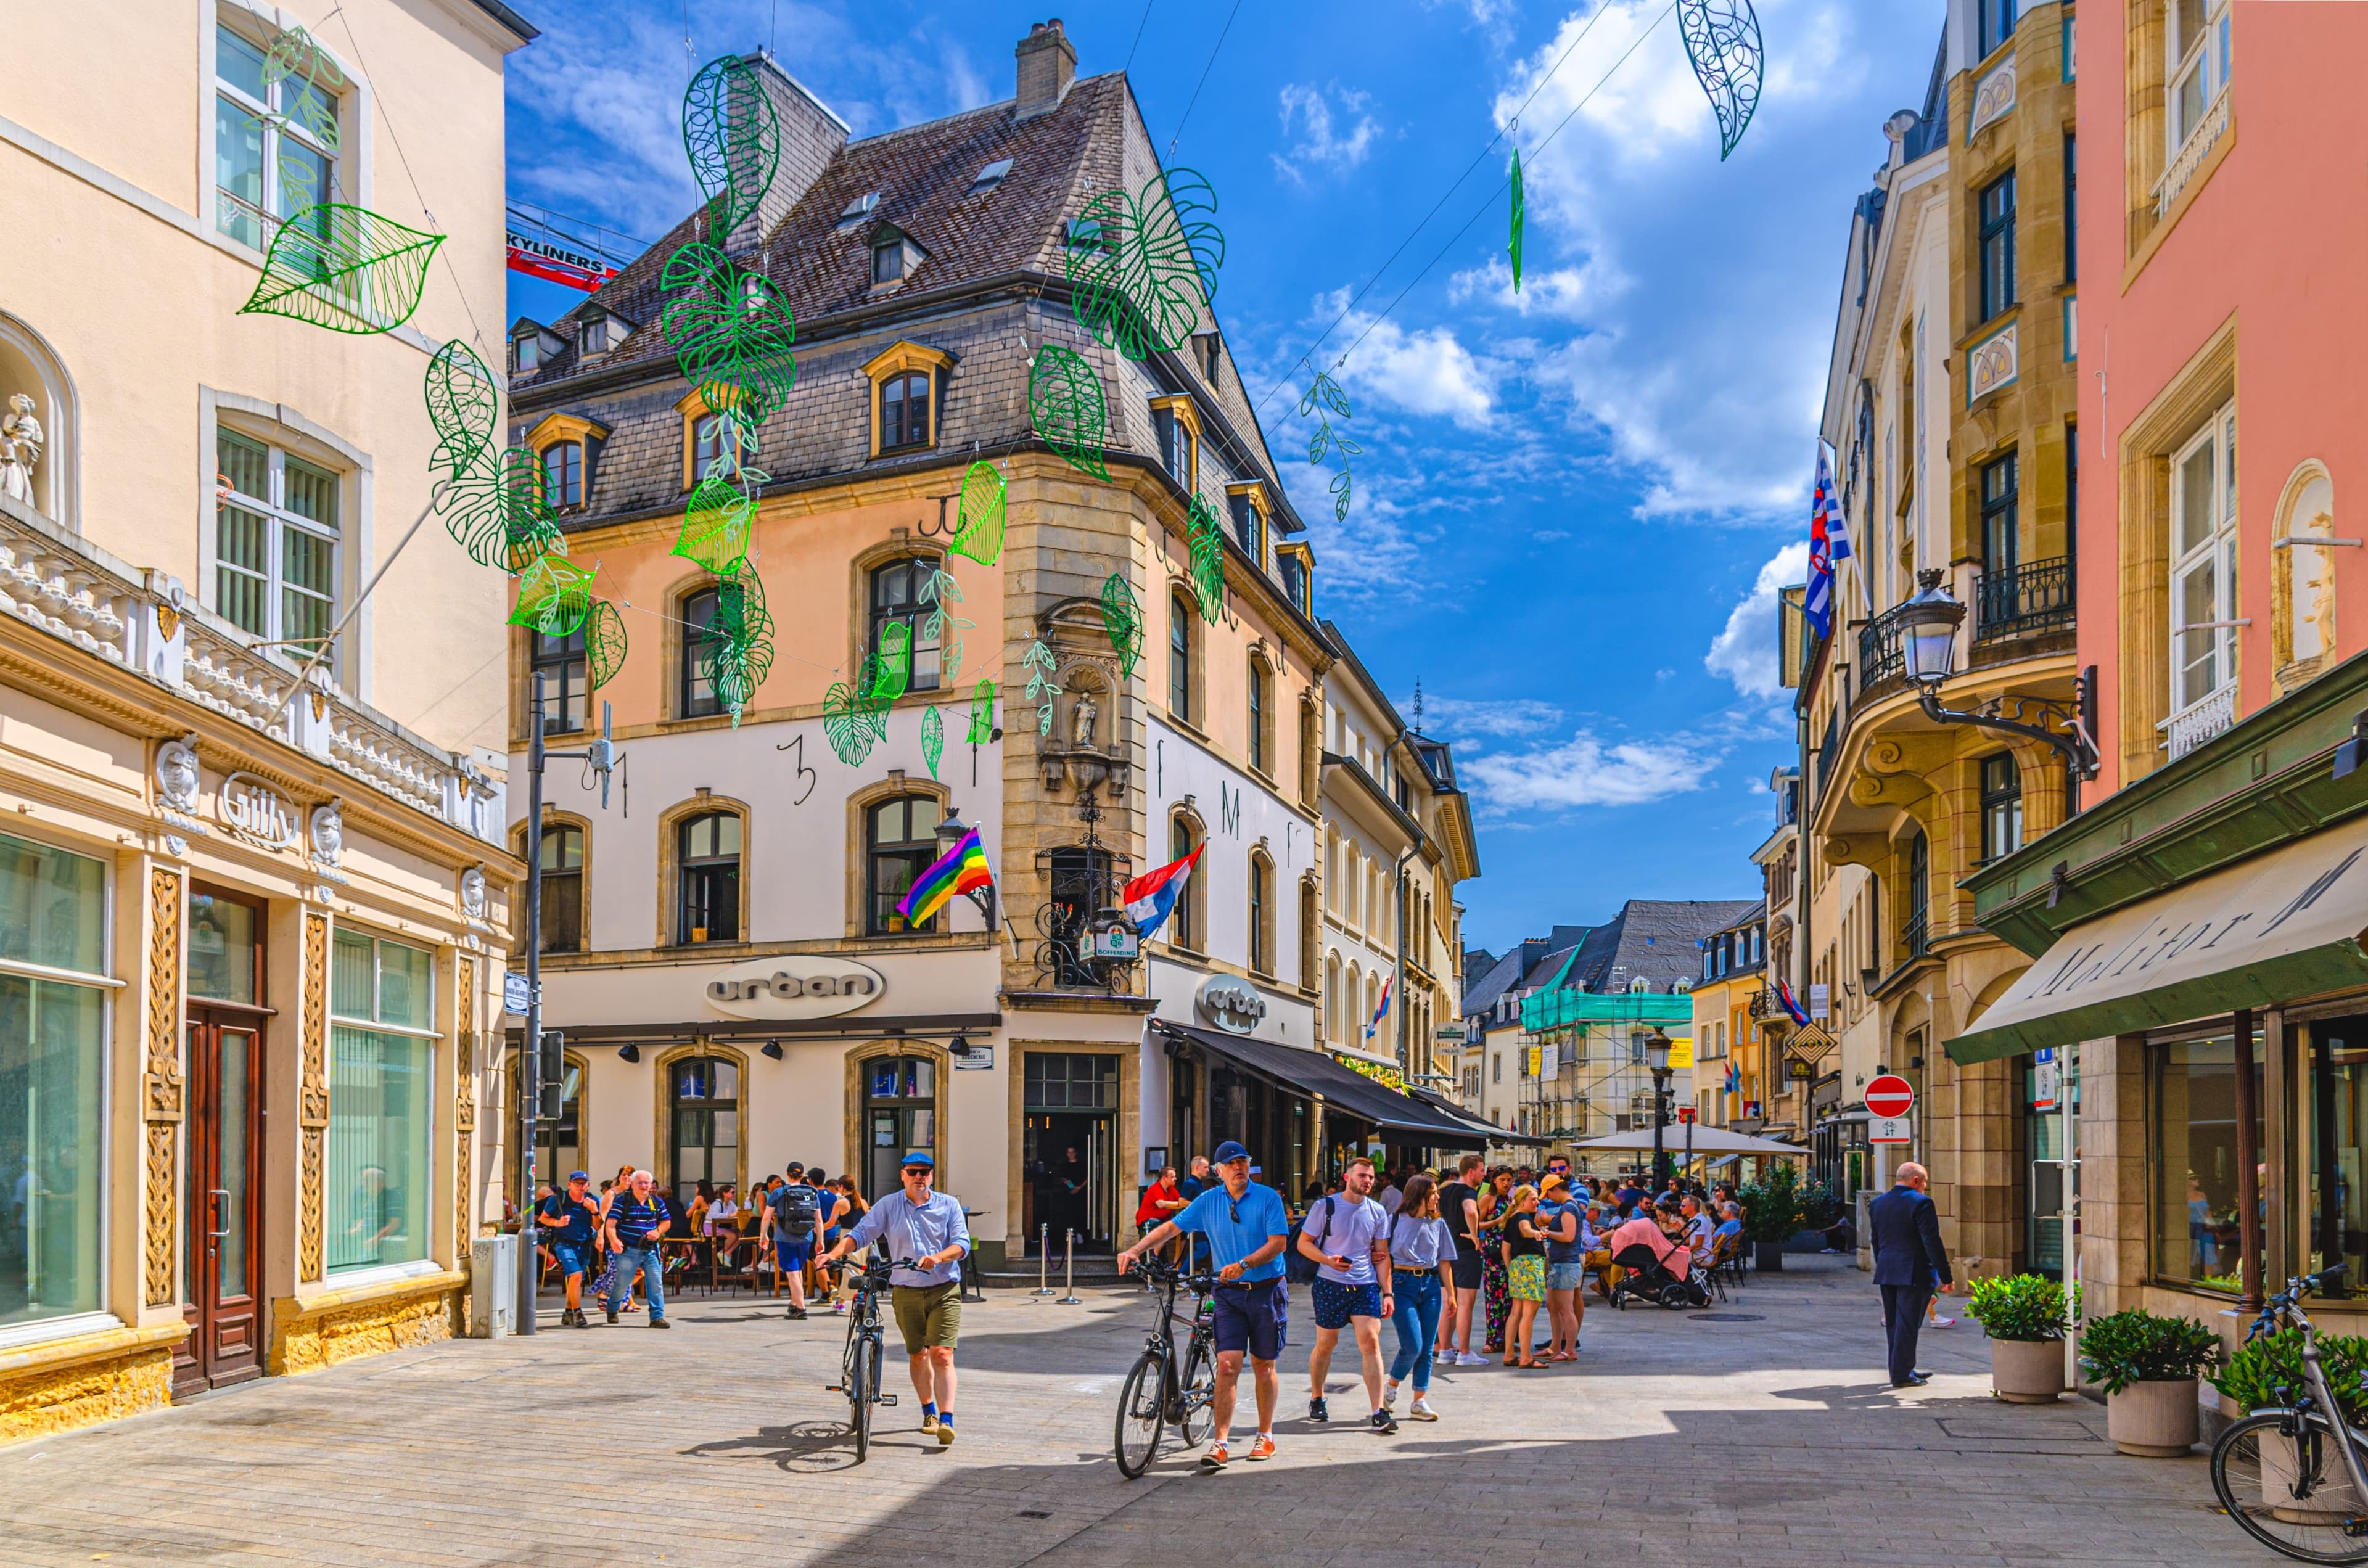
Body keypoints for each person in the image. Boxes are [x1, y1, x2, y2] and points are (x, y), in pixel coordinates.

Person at [1117, 1140, 1289, 1467]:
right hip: (1228, 1294)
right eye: (1232, 1164)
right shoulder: (1209, 1200)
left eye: (1243, 1161)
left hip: (1266, 1291)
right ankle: (1220, 1443)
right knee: (1227, 1365)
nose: (1239, 1168)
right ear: (1219, 1171)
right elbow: (1172, 1227)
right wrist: (1135, 1250)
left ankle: (1265, 1435)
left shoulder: (1267, 1198)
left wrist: (1245, 1263)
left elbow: (1278, 1243)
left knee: (1263, 1364)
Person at [819, 1152, 970, 1446]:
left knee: (942, 1354)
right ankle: (929, 1412)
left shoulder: (948, 1205)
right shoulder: (889, 1205)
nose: (919, 1177)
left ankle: (947, 1420)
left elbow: (961, 1244)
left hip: (944, 1288)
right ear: (903, 1175)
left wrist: (938, 1257)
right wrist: (833, 1253)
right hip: (906, 1290)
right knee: (918, 1354)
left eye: (925, 1172)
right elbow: (861, 1234)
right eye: (913, 1172)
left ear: (932, 1175)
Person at [1296, 1155, 1397, 1434]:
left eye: (1371, 1177)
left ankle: (1378, 1411)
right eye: (1362, 1175)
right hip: (1330, 1284)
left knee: (1371, 1342)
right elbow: (1304, 1244)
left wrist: (1388, 1293)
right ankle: (1318, 1396)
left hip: (1365, 1285)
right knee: (1326, 1343)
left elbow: (1382, 1255)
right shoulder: (1325, 1207)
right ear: (1347, 1178)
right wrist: (1328, 1260)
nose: (1368, 1181)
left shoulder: (1377, 1212)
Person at [1868, 1160, 1955, 1389]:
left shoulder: (1878, 1203)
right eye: (1925, 1182)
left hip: (1888, 1270)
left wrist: (1883, 1265)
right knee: (1908, 1324)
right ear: (1916, 1180)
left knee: (1895, 1324)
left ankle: (1902, 1368)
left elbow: (1876, 1240)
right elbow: (1932, 1241)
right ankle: (1902, 1374)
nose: (1925, 1186)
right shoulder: (1922, 1203)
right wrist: (1946, 1276)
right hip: (1915, 1272)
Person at [1383, 1175, 1451, 1420]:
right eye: (1433, 1192)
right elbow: (1384, 1259)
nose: (1437, 1197)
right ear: (1419, 1194)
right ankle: (1392, 1385)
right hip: (1402, 1284)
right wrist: (1386, 1292)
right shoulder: (1393, 1221)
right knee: (1413, 1345)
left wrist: (1452, 1294)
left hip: (1431, 1284)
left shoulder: (1438, 1223)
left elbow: (1445, 1261)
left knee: (1427, 1348)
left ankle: (1419, 1401)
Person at [601, 1170, 672, 1328]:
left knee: (656, 1283)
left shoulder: (656, 1202)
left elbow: (666, 1222)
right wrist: (614, 1241)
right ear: (632, 1184)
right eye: (640, 1183)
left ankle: (657, 1317)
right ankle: (612, 1308)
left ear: (651, 1185)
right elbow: (610, 1224)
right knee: (622, 1283)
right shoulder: (622, 1201)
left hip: (651, 1250)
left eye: (647, 1183)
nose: (643, 1186)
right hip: (628, 1250)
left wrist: (657, 1231)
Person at [1437, 1153, 1487, 1367]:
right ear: (1471, 1172)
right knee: (1466, 1304)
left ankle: (1445, 1350)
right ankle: (1465, 1353)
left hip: (1444, 1252)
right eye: (1482, 1171)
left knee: (1448, 1302)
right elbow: (1470, 1210)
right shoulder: (1468, 1191)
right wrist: (1475, 1235)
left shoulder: (1444, 1191)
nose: (1484, 1175)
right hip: (1466, 1251)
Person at [535, 1170, 602, 1328]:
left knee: (576, 1280)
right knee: (576, 1275)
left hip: (584, 1243)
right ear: (570, 1184)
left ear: (588, 1185)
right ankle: (578, 1313)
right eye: (577, 1183)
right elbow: (543, 1218)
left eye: (583, 1183)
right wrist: (558, 1223)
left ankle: (567, 1313)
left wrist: (595, 1211)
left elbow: (598, 1226)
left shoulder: (592, 1200)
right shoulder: (559, 1199)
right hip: (563, 1242)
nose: (580, 1186)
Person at [1537, 1173, 1593, 1360]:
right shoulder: (1568, 1206)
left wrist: (1548, 1233)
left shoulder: (1568, 1208)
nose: (1548, 1198)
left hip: (1566, 1262)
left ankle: (1570, 1349)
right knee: (1554, 1305)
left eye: (1548, 1194)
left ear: (1556, 1189)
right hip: (1561, 1261)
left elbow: (1568, 1236)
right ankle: (1555, 1346)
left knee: (1565, 1309)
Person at [761, 1163, 824, 1319]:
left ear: (787, 1174)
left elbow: (767, 1217)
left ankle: (801, 1308)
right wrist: (820, 1241)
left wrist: (764, 1235)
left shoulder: (779, 1192)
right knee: (797, 1271)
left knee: (793, 1273)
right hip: (806, 1238)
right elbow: (819, 1219)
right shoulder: (812, 1192)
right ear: (802, 1176)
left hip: (785, 1237)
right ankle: (794, 1304)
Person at [1498, 1185, 1549, 1368]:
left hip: (1517, 1267)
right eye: (1533, 1199)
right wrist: (1536, 1233)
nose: (1537, 1202)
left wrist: (1511, 1270)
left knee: (1516, 1312)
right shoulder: (1523, 1218)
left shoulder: (1511, 1219)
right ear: (1521, 1202)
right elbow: (1526, 1230)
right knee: (1528, 1314)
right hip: (1530, 1266)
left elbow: (1505, 1251)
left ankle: (1509, 1355)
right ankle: (1526, 1358)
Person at [1477, 1167, 1516, 1355]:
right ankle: (1492, 1340)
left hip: (1508, 1253)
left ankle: (1506, 1339)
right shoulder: (1488, 1199)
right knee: (1494, 1298)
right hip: (1493, 1253)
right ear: (1494, 1180)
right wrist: (1497, 1221)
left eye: (1509, 1180)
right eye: (1503, 1180)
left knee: (1508, 1298)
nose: (1506, 1183)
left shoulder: (1510, 1200)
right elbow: (1476, 1224)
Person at [1134, 1166, 1186, 1261]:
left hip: (1163, 1220)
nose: (1175, 1179)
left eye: (1175, 1177)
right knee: (1165, 1229)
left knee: (1183, 1231)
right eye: (1172, 1177)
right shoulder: (1155, 1189)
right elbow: (1161, 1204)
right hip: (1147, 1220)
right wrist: (1180, 1204)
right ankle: (1154, 1256)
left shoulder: (1171, 1189)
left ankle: (1176, 1263)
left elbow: (1181, 1200)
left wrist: (1182, 1203)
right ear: (1164, 1178)